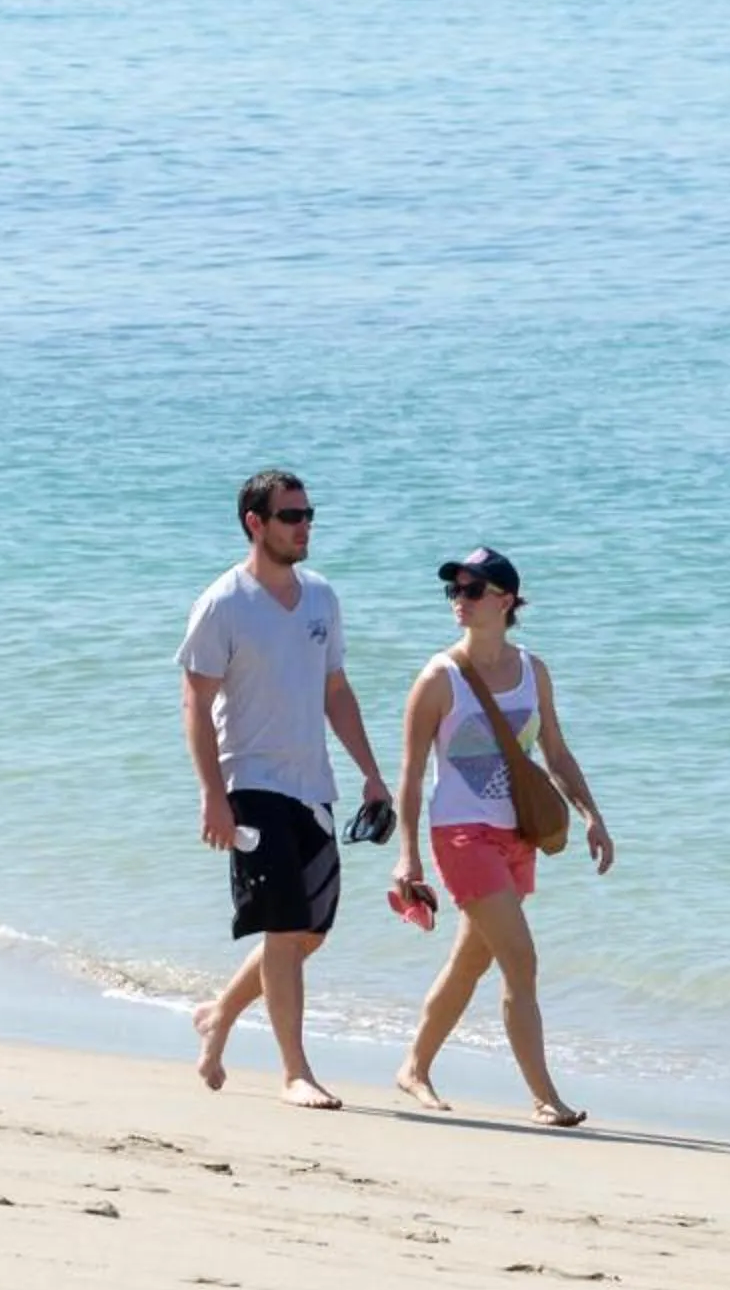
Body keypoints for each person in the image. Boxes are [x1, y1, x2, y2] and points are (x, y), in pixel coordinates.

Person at [177, 469, 393, 1110]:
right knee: (283, 926)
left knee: (309, 933)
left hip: (312, 787)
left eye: (308, 515)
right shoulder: (224, 603)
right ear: (256, 523)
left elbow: (335, 690)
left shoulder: (322, 598)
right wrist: (212, 795)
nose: (305, 526)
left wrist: (372, 773)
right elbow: (195, 702)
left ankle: (218, 1014)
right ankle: (295, 1071)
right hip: (250, 782)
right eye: (291, 516)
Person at [386, 547, 614, 1125]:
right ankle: (545, 1096)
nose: (458, 601)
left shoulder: (533, 672)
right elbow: (410, 776)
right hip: (461, 835)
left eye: (471, 590)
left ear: (505, 600)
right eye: (453, 591)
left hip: (518, 835)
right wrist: (407, 857)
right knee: (521, 959)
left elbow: (555, 751)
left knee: (470, 962)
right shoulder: (438, 680)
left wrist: (592, 815)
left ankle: (413, 1066)